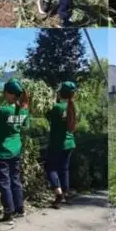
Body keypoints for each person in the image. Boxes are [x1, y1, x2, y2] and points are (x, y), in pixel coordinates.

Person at [0, 78, 30, 225]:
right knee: (15, 178)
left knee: (4, 181)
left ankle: (8, 212)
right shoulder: (23, 109)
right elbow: (25, 126)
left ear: (9, 94)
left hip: (2, 150)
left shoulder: (2, 111)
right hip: (16, 148)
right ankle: (20, 208)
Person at [47, 81, 78, 209]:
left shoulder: (57, 108)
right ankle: (67, 193)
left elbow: (47, 115)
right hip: (69, 143)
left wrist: (52, 100)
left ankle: (58, 191)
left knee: (50, 168)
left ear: (60, 93)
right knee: (64, 168)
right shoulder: (74, 107)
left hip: (57, 144)